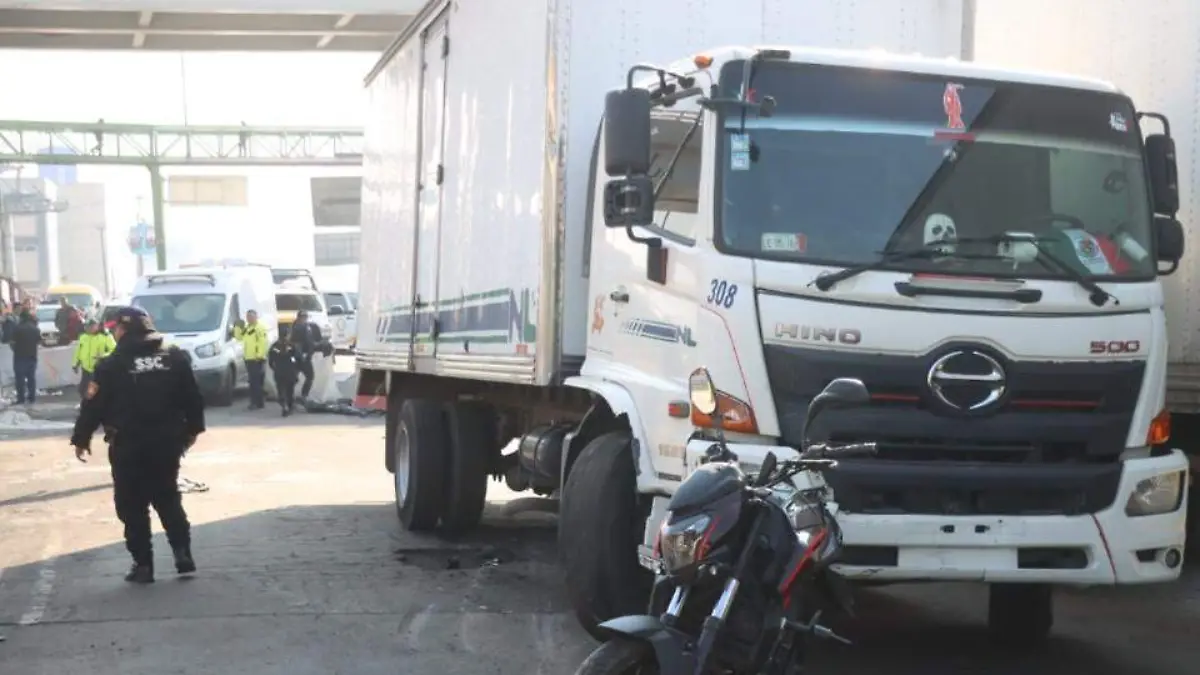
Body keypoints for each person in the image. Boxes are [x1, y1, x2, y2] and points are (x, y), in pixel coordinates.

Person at [70, 306, 206, 584]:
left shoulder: (110, 365)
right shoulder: (174, 357)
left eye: (115, 328)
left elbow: (92, 406)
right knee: (167, 497)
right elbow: (193, 397)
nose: (112, 332)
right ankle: (182, 553)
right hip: (167, 442)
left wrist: (81, 438)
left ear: (124, 329)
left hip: (128, 445)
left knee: (131, 504)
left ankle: (143, 565)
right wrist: (193, 429)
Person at [233, 309, 268, 410]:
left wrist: (259, 355)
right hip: (249, 358)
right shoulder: (248, 328)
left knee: (255, 382)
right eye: (248, 317)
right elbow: (239, 338)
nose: (249, 318)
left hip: (256, 359)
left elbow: (262, 342)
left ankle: (254, 402)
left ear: (256, 317)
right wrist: (237, 327)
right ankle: (259, 402)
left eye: (251, 316)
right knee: (255, 382)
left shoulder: (259, 328)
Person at [72, 319, 116, 400]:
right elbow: (78, 351)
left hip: (98, 367)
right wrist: (75, 364)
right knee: (82, 389)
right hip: (85, 367)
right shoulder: (83, 337)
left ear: (97, 326)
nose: (89, 328)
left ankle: (95, 406)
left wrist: (103, 356)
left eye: (92, 326)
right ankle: (85, 404)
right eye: (87, 326)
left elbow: (114, 350)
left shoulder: (105, 336)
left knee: (93, 390)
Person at [267, 325, 299, 417]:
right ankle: (290, 406)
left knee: (281, 389)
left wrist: (275, 368)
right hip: (290, 371)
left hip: (279, 371)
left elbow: (270, 361)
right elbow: (297, 358)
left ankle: (284, 404)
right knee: (290, 390)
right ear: (288, 335)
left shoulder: (274, 346)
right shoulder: (292, 346)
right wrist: (296, 369)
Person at [11, 308, 40, 405]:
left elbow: (12, 343)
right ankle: (32, 398)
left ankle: (21, 399)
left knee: (20, 379)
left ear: (21, 318)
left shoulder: (17, 328)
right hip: (32, 357)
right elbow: (39, 342)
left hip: (19, 357)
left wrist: (15, 349)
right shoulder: (35, 329)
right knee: (31, 378)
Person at [289, 310, 316, 402]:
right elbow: (308, 342)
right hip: (302, 357)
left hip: (296, 356)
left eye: (306, 317)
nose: (305, 319)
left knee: (293, 378)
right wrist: (309, 353)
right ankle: (304, 396)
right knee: (310, 376)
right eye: (304, 317)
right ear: (299, 317)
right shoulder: (303, 327)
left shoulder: (293, 326)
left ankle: (289, 396)